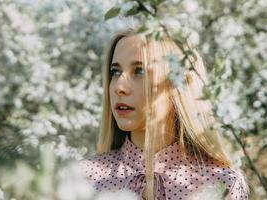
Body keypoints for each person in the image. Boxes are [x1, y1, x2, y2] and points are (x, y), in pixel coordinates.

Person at [79, 28, 248, 200]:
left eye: (139, 71)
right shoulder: (85, 179)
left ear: (177, 84)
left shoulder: (221, 182)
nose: (119, 87)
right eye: (115, 72)